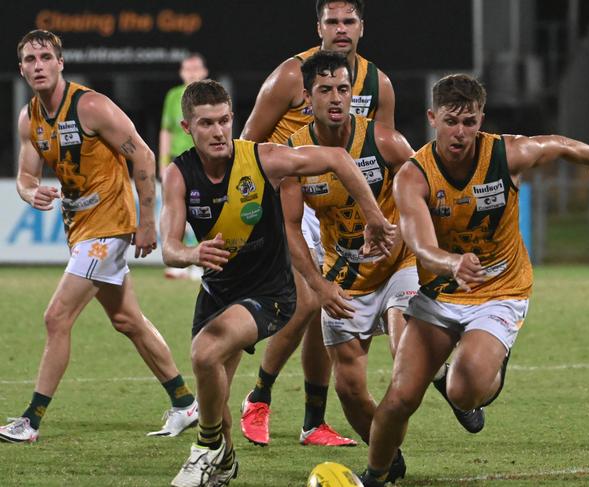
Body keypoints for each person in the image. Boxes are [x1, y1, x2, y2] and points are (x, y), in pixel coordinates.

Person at [360, 74, 589, 486]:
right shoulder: (414, 176)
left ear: (481, 118)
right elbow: (419, 244)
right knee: (399, 398)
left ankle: (490, 364)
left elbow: (555, 143)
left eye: (469, 121)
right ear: (433, 118)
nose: (460, 132)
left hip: (500, 292)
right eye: (451, 121)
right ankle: (374, 477)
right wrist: (450, 263)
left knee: (465, 392)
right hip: (439, 291)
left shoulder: (506, 154)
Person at [161, 79, 395, 487]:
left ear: (232, 118)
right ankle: (225, 456)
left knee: (203, 353)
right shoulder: (179, 175)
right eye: (205, 124)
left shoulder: (262, 159)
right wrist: (192, 254)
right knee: (217, 398)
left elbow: (339, 158)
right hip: (218, 293)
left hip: (269, 293)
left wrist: (374, 216)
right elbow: (169, 248)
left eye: (223, 121)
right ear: (187, 127)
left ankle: (203, 449)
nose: (217, 132)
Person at [0, 30, 198, 444]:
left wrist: (147, 222)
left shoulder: (91, 106)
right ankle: (185, 403)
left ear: (60, 63)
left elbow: (142, 155)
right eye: (30, 60)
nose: (38, 66)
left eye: (45, 57)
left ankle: (30, 421)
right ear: (21, 69)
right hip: (80, 226)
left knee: (56, 317)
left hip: (110, 223)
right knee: (128, 320)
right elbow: (25, 175)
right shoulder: (29, 119)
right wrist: (28, 191)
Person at [240, 0, 396, 448]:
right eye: (333, 21)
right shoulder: (291, 75)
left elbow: (382, 153)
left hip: (342, 207)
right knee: (309, 300)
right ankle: (260, 395)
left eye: (349, 21)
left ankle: (313, 422)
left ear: (362, 28)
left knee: (325, 311)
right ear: (319, 27)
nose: (341, 29)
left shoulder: (378, 83)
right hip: (292, 197)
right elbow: (248, 141)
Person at [282, 51, 417, 482]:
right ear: (307, 98)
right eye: (325, 90)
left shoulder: (384, 140)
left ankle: (453, 380)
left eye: (344, 89)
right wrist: (319, 285)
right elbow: (290, 227)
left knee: (405, 352)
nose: (336, 98)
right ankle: (388, 456)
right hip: (344, 273)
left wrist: (419, 240)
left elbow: (426, 190)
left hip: (400, 263)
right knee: (349, 389)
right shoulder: (293, 153)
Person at [159, 53, 209, 280]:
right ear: (181, 72)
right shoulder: (173, 96)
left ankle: (201, 262)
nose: (191, 73)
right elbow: (166, 130)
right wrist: (162, 163)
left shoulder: (210, 94)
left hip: (203, 160)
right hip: (178, 161)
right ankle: (179, 261)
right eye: (187, 69)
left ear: (204, 72)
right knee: (174, 210)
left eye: (195, 68)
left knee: (202, 210)